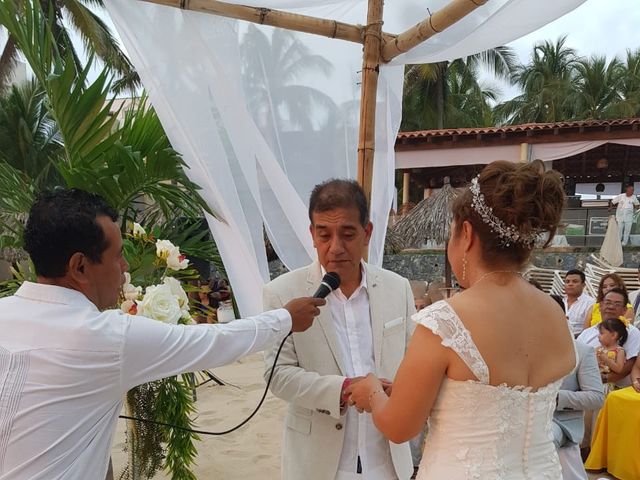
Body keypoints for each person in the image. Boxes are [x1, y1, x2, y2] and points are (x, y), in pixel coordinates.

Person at [0, 189, 325, 480]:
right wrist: (286, 318)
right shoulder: (105, 337)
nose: (125, 266)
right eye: (117, 256)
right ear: (80, 267)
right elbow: (215, 342)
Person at [347, 160, 576, 479]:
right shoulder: (555, 313)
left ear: (466, 234)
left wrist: (372, 391)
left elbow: (399, 427)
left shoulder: (446, 322)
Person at [263, 179, 415, 480]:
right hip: (318, 464)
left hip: (388, 460)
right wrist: (342, 391)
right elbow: (277, 374)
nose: (335, 248)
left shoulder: (398, 289)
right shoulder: (282, 294)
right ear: (312, 234)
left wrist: (399, 389)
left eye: (347, 234)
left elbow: (412, 361)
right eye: (324, 235)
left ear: (366, 233)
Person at [552, 342, 604, 480]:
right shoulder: (520, 346)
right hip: (518, 416)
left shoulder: (582, 351)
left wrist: (555, 398)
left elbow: (596, 397)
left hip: (559, 421)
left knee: (540, 441)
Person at [595, 317, 628, 393]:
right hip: (595, 381)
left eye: (601, 333)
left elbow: (619, 369)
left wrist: (606, 359)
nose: (598, 336)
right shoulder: (598, 349)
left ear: (614, 335)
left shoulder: (619, 351)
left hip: (609, 385)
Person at [563, 269, 595, 337]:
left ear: (583, 285)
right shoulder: (560, 301)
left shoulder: (590, 303)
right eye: (567, 282)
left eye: (575, 281)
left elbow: (589, 330)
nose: (570, 284)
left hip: (579, 341)